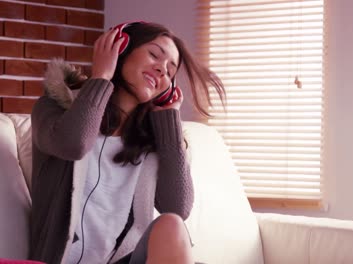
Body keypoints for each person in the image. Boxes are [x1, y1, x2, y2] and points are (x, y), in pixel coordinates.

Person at [28, 21, 225, 264]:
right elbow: (74, 144)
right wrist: (101, 76)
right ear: (119, 48)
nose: (162, 70)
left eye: (170, 71)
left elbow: (178, 208)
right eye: (154, 54)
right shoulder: (53, 108)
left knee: (171, 224)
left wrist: (169, 121)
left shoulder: (153, 140)